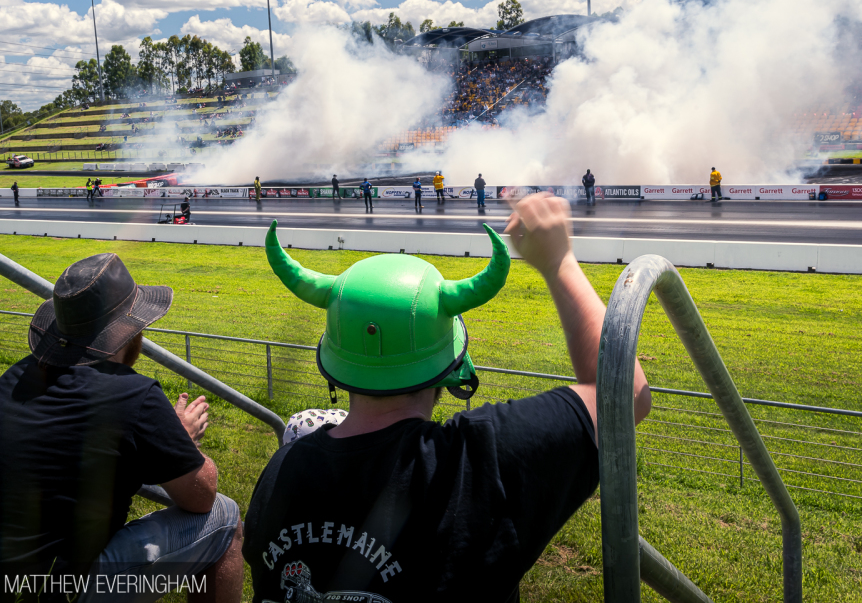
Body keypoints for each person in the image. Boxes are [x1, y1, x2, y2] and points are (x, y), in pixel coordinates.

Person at [245, 198, 651, 601]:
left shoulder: (281, 470)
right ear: (451, 363)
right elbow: (624, 394)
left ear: (334, 363)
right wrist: (559, 261)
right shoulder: (481, 459)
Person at [0, 254, 244, 600]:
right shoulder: (135, 394)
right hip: (41, 590)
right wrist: (183, 441)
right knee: (227, 519)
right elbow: (201, 496)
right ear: (133, 330)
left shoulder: (18, 375)